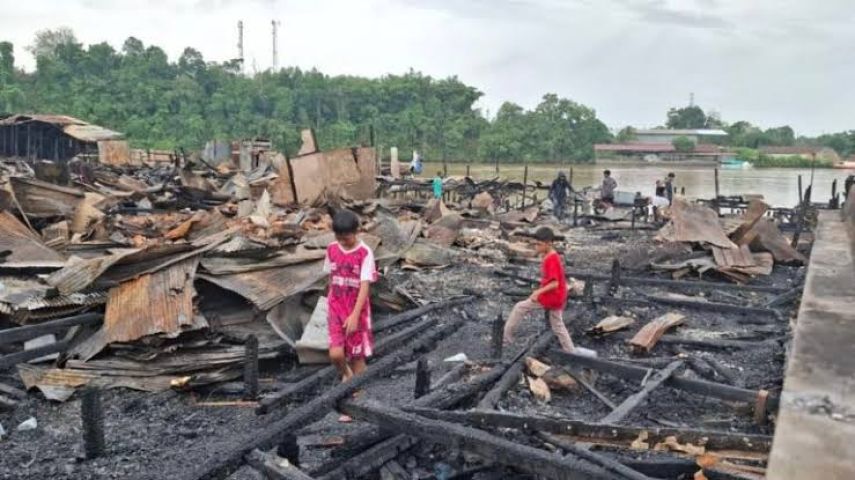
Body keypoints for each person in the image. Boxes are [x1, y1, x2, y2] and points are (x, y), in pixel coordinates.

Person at [324, 210, 378, 421]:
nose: (343, 242)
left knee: (356, 357)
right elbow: (331, 276)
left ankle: (358, 400)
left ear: (356, 232)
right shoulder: (331, 249)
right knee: (336, 354)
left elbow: (365, 287)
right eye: (339, 238)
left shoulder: (364, 253)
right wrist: (328, 300)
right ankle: (347, 378)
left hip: (356, 310)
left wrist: (355, 315)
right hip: (336, 306)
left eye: (346, 238)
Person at [503, 227, 575, 353]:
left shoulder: (551, 259)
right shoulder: (552, 255)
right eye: (535, 244)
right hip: (559, 295)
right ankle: (571, 351)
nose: (536, 247)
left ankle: (506, 339)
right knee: (558, 325)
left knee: (520, 307)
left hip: (553, 296)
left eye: (539, 244)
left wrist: (537, 292)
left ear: (549, 243)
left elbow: (554, 283)